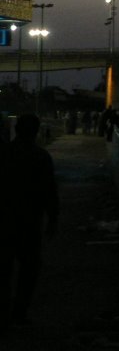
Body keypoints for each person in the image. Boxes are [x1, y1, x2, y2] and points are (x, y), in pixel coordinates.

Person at [0, 113, 59, 330]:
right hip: (29, 222)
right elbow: (49, 191)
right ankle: (19, 313)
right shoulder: (41, 157)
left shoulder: (3, 153)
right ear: (36, 131)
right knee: (29, 270)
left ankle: (2, 315)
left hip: (4, 221)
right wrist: (53, 218)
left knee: (3, 271)